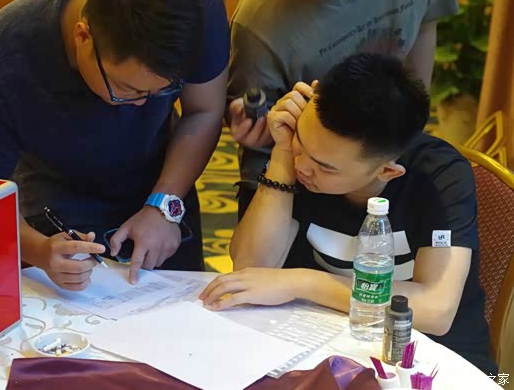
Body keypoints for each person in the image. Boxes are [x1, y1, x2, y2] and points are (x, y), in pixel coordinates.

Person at [200, 54, 496, 374]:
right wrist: (283, 152)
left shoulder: (439, 177)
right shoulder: (298, 159)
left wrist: (302, 282)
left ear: (386, 171)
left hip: (433, 362)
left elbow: (436, 309)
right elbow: (252, 269)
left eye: (325, 167)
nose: (303, 166)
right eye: (301, 141)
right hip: (332, 344)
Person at [0, 0, 229, 288]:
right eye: (127, 90)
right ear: (82, 37)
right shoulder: (4, 63)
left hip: (163, 171)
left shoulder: (191, 1)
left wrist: (165, 205)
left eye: (162, 91)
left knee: (181, 303)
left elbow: (203, 111)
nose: (141, 105)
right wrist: (40, 250)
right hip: (58, 190)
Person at [227, 0, 459, 218]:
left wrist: (411, 128)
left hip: (379, 156)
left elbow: (425, 24)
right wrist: (256, 129)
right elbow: (260, 123)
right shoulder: (258, 24)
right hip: (296, 176)